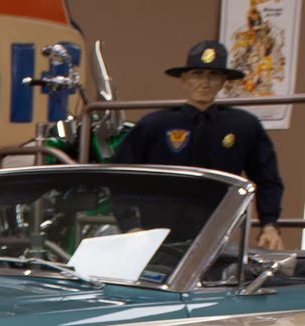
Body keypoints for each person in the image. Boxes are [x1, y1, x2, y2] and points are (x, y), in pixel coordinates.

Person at [116, 39, 285, 249]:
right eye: (197, 74)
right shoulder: (154, 126)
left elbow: (267, 178)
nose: (205, 83)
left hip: (217, 232)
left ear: (223, 81)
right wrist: (131, 226)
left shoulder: (244, 126)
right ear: (184, 80)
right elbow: (120, 178)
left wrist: (269, 224)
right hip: (156, 234)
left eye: (213, 75)